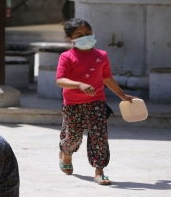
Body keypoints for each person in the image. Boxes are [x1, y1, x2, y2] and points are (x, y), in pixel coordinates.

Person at [56, 19, 137, 186]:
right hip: (73, 104)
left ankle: (99, 171)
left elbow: (107, 78)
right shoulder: (66, 57)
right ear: (69, 38)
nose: (85, 37)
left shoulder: (102, 55)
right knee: (72, 137)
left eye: (87, 33)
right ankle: (66, 153)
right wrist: (79, 84)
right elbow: (60, 80)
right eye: (79, 35)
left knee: (99, 136)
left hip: (97, 102)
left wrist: (123, 96)